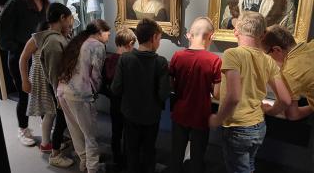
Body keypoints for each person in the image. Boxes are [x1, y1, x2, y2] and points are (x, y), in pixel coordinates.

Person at [209, 11, 291, 173]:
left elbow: (233, 97)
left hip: (237, 127)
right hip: (258, 126)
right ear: (262, 35)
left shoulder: (232, 54)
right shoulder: (268, 60)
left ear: (236, 32)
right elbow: (286, 100)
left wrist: (217, 119)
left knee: (239, 169)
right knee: (248, 165)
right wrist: (271, 110)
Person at [0, 0, 50, 146]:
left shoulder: (46, 4)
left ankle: (45, 126)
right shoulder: (16, 4)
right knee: (24, 93)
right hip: (21, 58)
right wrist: (18, 47)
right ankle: (23, 129)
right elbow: (0, 30)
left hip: (40, 58)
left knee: (43, 92)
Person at [111, 18, 170, 173]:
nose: (159, 42)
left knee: (132, 150)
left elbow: (116, 89)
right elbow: (164, 94)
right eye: (159, 39)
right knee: (149, 151)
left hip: (130, 114)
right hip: (151, 117)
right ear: (153, 38)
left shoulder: (125, 59)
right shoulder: (161, 62)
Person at [169, 17, 222, 173]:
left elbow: (172, 85)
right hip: (201, 115)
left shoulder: (177, 56)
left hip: (180, 112)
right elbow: (217, 94)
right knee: (197, 157)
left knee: (176, 154)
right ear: (211, 36)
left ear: (189, 35)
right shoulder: (214, 60)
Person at [57, 19, 111, 173]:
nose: (109, 36)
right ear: (100, 32)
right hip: (80, 94)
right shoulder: (98, 46)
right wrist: (95, 91)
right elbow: (96, 75)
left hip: (63, 91)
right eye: (108, 33)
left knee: (75, 132)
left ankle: (84, 163)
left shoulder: (79, 41)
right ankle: (92, 168)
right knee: (90, 135)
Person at [35, 2, 74, 167]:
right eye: (69, 19)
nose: (71, 22)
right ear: (62, 18)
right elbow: (53, 73)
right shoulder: (52, 42)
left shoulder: (59, 37)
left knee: (65, 119)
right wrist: (58, 95)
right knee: (61, 120)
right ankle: (55, 154)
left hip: (64, 87)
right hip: (60, 89)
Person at [261, 25, 314, 120]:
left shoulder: (289, 73)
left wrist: (269, 110)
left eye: (267, 53)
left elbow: (293, 115)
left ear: (277, 49)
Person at [102, 27, 136, 171]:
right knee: (129, 133)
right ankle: (127, 160)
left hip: (114, 102)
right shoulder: (130, 61)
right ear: (130, 43)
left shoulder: (109, 59)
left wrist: (112, 95)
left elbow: (104, 82)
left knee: (116, 132)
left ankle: (117, 158)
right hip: (127, 104)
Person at [19, 21, 56, 153]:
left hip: (51, 78)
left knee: (50, 111)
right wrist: (25, 81)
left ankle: (49, 138)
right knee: (49, 111)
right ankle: (45, 143)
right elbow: (23, 58)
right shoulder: (36, 38)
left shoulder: (57, 37)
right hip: (40, 78)